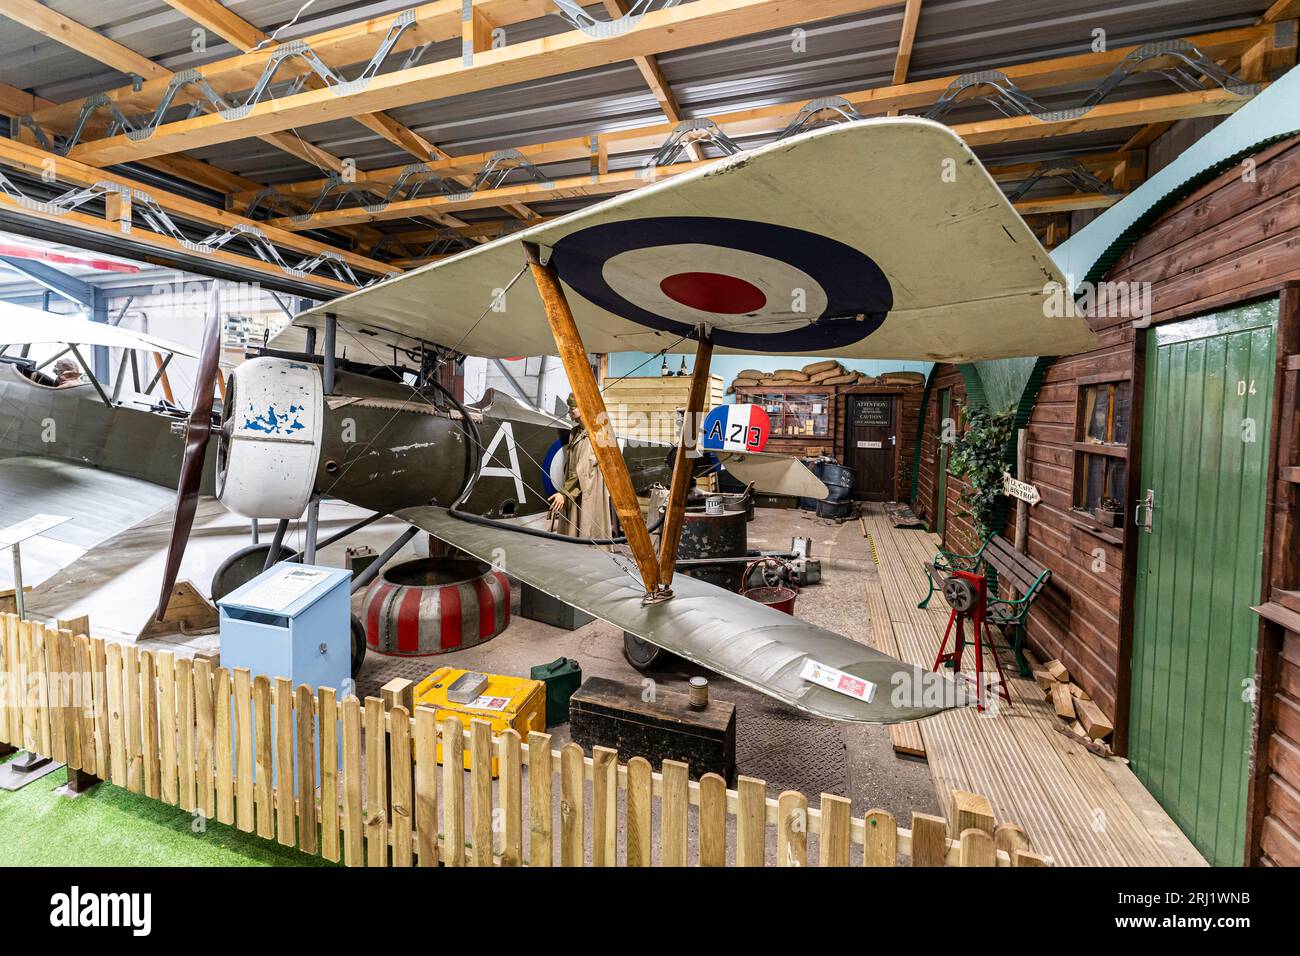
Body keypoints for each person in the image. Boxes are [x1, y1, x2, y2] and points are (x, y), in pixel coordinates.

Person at [547, 393, 612, 540]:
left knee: (586, 524)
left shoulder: (597, 433)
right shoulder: (576, 432)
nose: (569, 412)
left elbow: (584, 468)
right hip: (575, 486)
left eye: (572, 408)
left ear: (583, 408)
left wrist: (564, 493)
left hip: (587, 487)